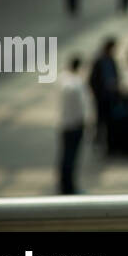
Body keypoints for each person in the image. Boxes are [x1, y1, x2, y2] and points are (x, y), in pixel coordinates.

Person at [58, 56, 92, 194]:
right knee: (70, 158)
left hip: (65, 123)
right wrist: (83, 120)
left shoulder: (63, 79)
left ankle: (66, 184)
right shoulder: (75, 84)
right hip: (74, 125)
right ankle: (68, 186)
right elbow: (80, 106)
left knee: (66, 156)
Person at [88, 38, 120, 151]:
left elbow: (116, 76)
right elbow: (92, 79)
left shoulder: (111, 61)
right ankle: (98, 141)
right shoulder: (99, 61)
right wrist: (97, 93)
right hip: (102, 97)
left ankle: (109, 143)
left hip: (110, 97)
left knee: (109, 121)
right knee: (100, 120)